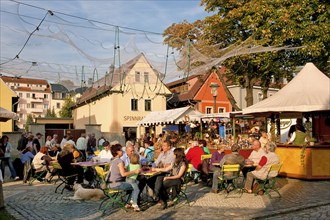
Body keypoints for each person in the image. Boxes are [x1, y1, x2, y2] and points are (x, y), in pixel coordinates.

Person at [107, 144, 141, 211]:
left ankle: (127, 202)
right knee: (134, 186)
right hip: (116, 184)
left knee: (129, 185)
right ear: (117, 152)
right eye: (121, 150)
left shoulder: (112, 160)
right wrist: (134, 171)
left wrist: (124, 168)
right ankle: (134, 203)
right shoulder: (120, 161)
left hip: (110, 184)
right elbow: (123, 174)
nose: (122, 151)